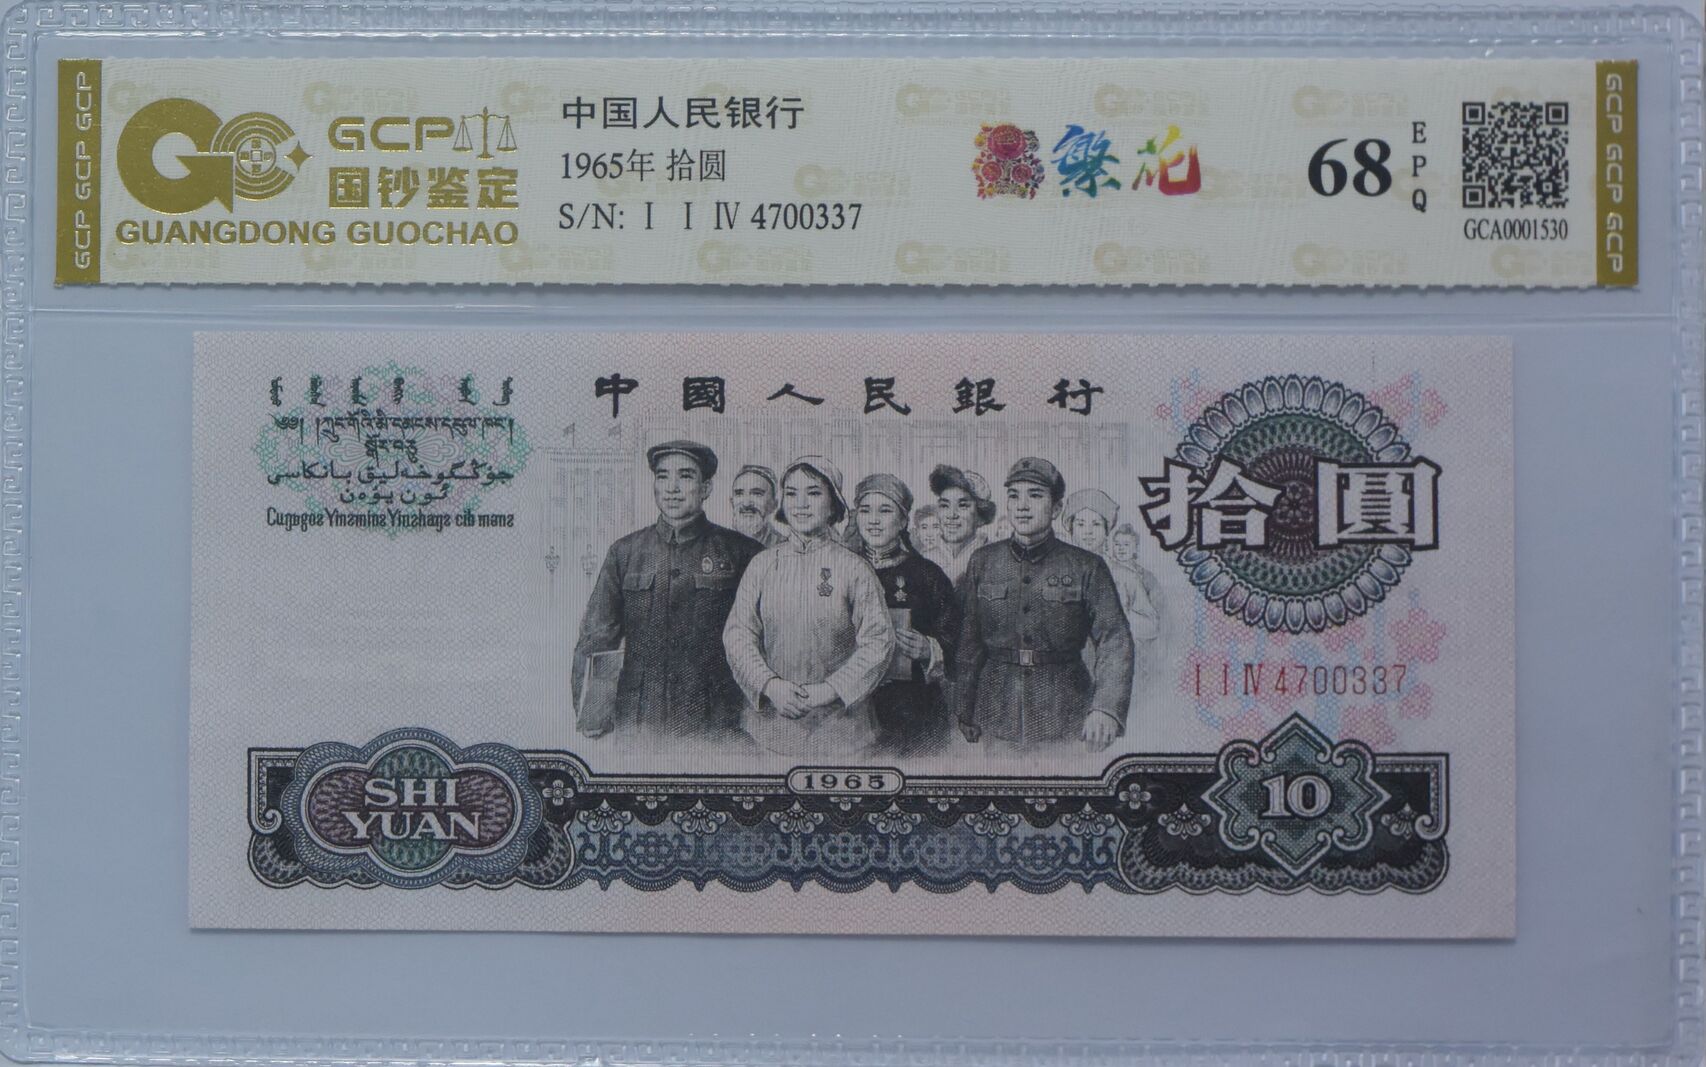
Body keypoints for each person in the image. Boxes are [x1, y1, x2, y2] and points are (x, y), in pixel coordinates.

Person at [572, 440, 763, 740]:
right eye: (663, 476)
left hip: (717, 723)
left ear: (706, 488)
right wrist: (593, 715)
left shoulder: (743, 552)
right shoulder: (625, 552)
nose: (672, 488)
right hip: (638, 722)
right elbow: (597, 638)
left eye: (685, 476)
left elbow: (764, 641)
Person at [956, 458, 1135, 752]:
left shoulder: (1086, 566)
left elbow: (1115, 639)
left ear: (1055, 508)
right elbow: (969, 642)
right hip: (995, 712)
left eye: (1035, 495)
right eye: (1014, 496)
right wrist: (964, 707)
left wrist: (1105, 709)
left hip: (1065, 712)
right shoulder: (984, 561)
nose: (1022, 506)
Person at [724, 456, 896, 756]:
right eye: (792, 494)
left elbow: (879, 641)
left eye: (814, 493)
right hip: (770, 731)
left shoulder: (855, 568)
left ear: (833, 505)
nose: (801, 504)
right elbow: (738, 634)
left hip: (843, 733)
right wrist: (770, 685)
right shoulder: (762, 565)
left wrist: (830, 690)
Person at [846, 474, 960, 757]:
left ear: (903, 521)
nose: (873, 521)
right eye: (865, 511)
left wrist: (930, 649)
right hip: (848, 711)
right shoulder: (839, 570)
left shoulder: (927, 575)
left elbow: (958, 638)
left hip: (912, 711)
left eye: (885, 511)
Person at [1061, 489, 1159, 643]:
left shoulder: (1125, 575)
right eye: (1081, 524)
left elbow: (1152, 627)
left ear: (1107, 531)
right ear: (1071, 529)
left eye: (1096, 524)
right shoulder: (1056, 571)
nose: (1088, 532)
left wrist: (1120, 614)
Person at [925, 464, 997, 587]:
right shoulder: (926, 558)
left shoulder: (995, 558)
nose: (951, 515)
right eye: (945, 506)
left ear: (980, 516)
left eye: (962, 505)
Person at [729, 463, 786, 547]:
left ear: (774, 504)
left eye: (757, 494)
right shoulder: (719, 544)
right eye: (739, 494)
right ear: (732, 502)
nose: (746, 504)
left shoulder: (784, 547)